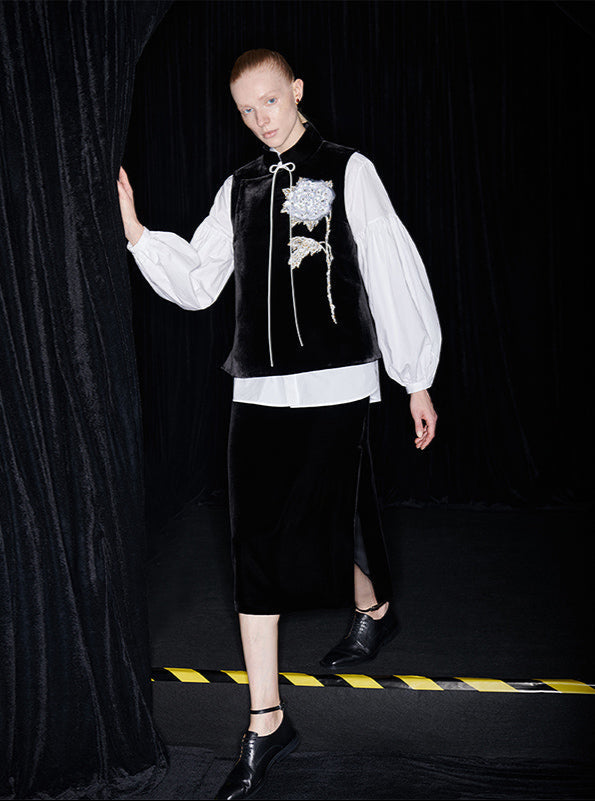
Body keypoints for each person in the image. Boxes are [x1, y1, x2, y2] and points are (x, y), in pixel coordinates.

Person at [117, 48, 441, 801]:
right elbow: (201, 283)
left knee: (333, 522)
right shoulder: (238, 186)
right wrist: (136, 232)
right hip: (257, 391)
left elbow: (389, 268)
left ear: (295, 90)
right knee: (255, 544)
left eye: (269, 100)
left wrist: (415, 378)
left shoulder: (348, 170)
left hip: (337, 382)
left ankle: (372, 605)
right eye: (246, 109)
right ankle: (266, 720)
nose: (260, 118)